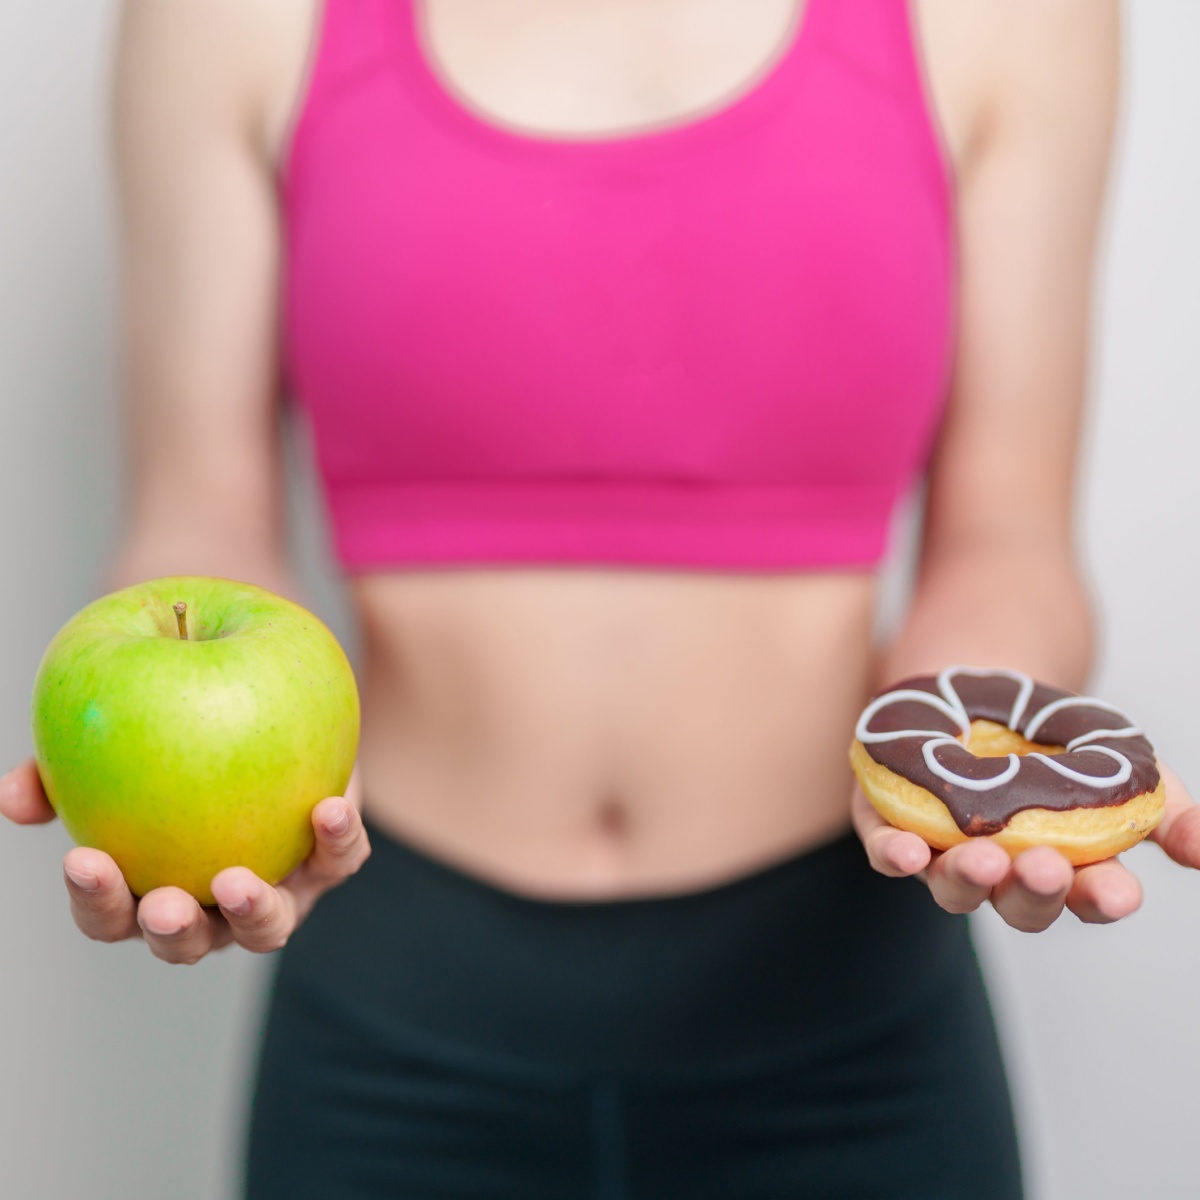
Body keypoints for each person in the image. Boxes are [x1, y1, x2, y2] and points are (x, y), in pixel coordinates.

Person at [2, 0, 1197, 1195]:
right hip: (388, 1008)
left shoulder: (1021, 18)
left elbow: (1009, 542)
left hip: (853, 1014)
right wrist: (190, 804)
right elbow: (195, 520)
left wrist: (966, 764)